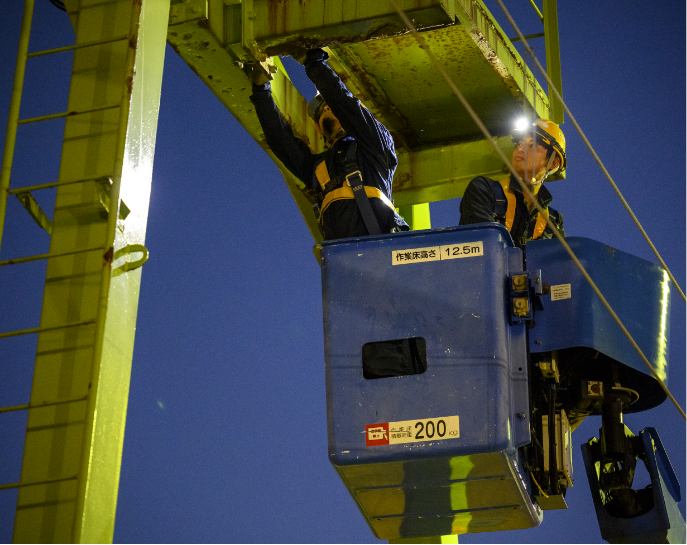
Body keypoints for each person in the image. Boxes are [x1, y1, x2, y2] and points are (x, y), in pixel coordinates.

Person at [247, 48, 408, 240]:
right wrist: (261, 90)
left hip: (380, 253)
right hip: (342, 262)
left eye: (330, 105)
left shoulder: (375, 147)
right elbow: (279, 139)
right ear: (318, 128)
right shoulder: (318, 168)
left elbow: (346, 105)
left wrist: (314, 65)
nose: (327, 108)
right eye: (322, 109)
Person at [459, 118, 566, 248]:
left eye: (532, 145)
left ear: (553, 163)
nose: (520, 149)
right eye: (519, 144)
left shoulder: (553, 221)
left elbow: (560, 264)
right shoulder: (483, 190)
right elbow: (485, 245)